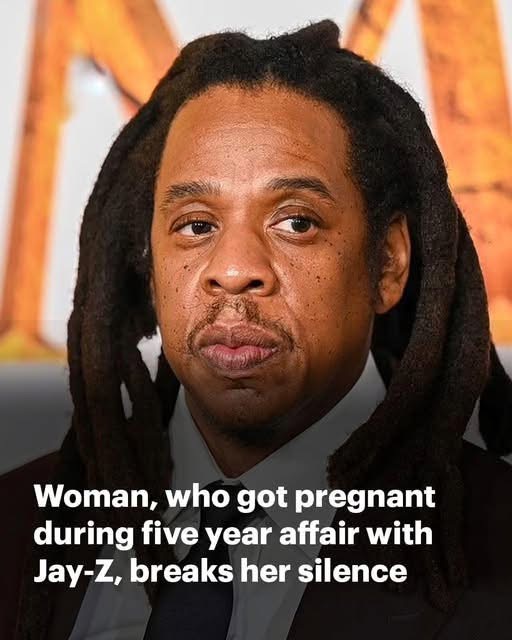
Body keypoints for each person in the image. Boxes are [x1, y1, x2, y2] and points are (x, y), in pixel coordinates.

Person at [3, 20, 512, 640]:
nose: (234, 269)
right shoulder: (15, 527)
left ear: (387, 264)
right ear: (149, 263)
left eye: (296, 222)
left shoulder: (495, 550)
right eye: (196, 225)